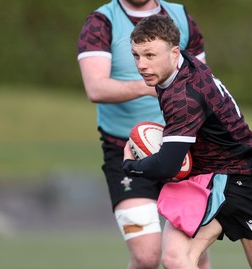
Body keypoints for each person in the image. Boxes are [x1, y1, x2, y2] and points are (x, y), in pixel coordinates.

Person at [122, 14, 252, 269]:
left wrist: (129, 164)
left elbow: (167, 166)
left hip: (244, 179)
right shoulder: (179, 66)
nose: (142, 65)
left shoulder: (184, 97)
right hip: (206, 179)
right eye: (136, 55)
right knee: (175, 258)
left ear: (175, 52)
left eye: (150, 55)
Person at [77, 1, 211, 268]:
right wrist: (151, 86)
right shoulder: (101, 22)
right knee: (146, 256)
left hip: (180, 147)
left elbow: (201, 79)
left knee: (192, 254)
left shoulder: (180, 16)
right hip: (126, 151)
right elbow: (96, 88)